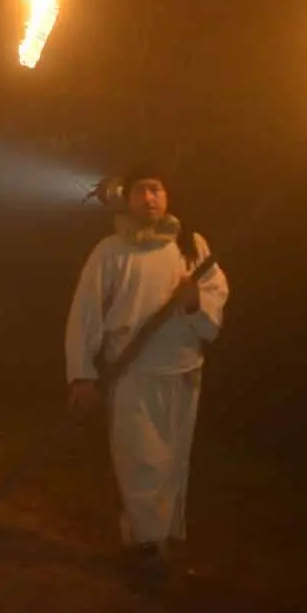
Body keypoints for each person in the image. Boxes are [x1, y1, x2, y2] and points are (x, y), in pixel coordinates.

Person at [65, 163, 229, 577]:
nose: (150, 198)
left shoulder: (192, 246)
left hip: (183, 370)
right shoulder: (111, 251)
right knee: (140, 459)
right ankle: (146, 543)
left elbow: (215, 298)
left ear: (168, 195)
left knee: (172, 458)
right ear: (129, 198)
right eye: (142, 191)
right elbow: (85, 313)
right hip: (132, 374)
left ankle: (157, 535)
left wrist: (194, 303)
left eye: (157, 189)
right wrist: (82, 374)